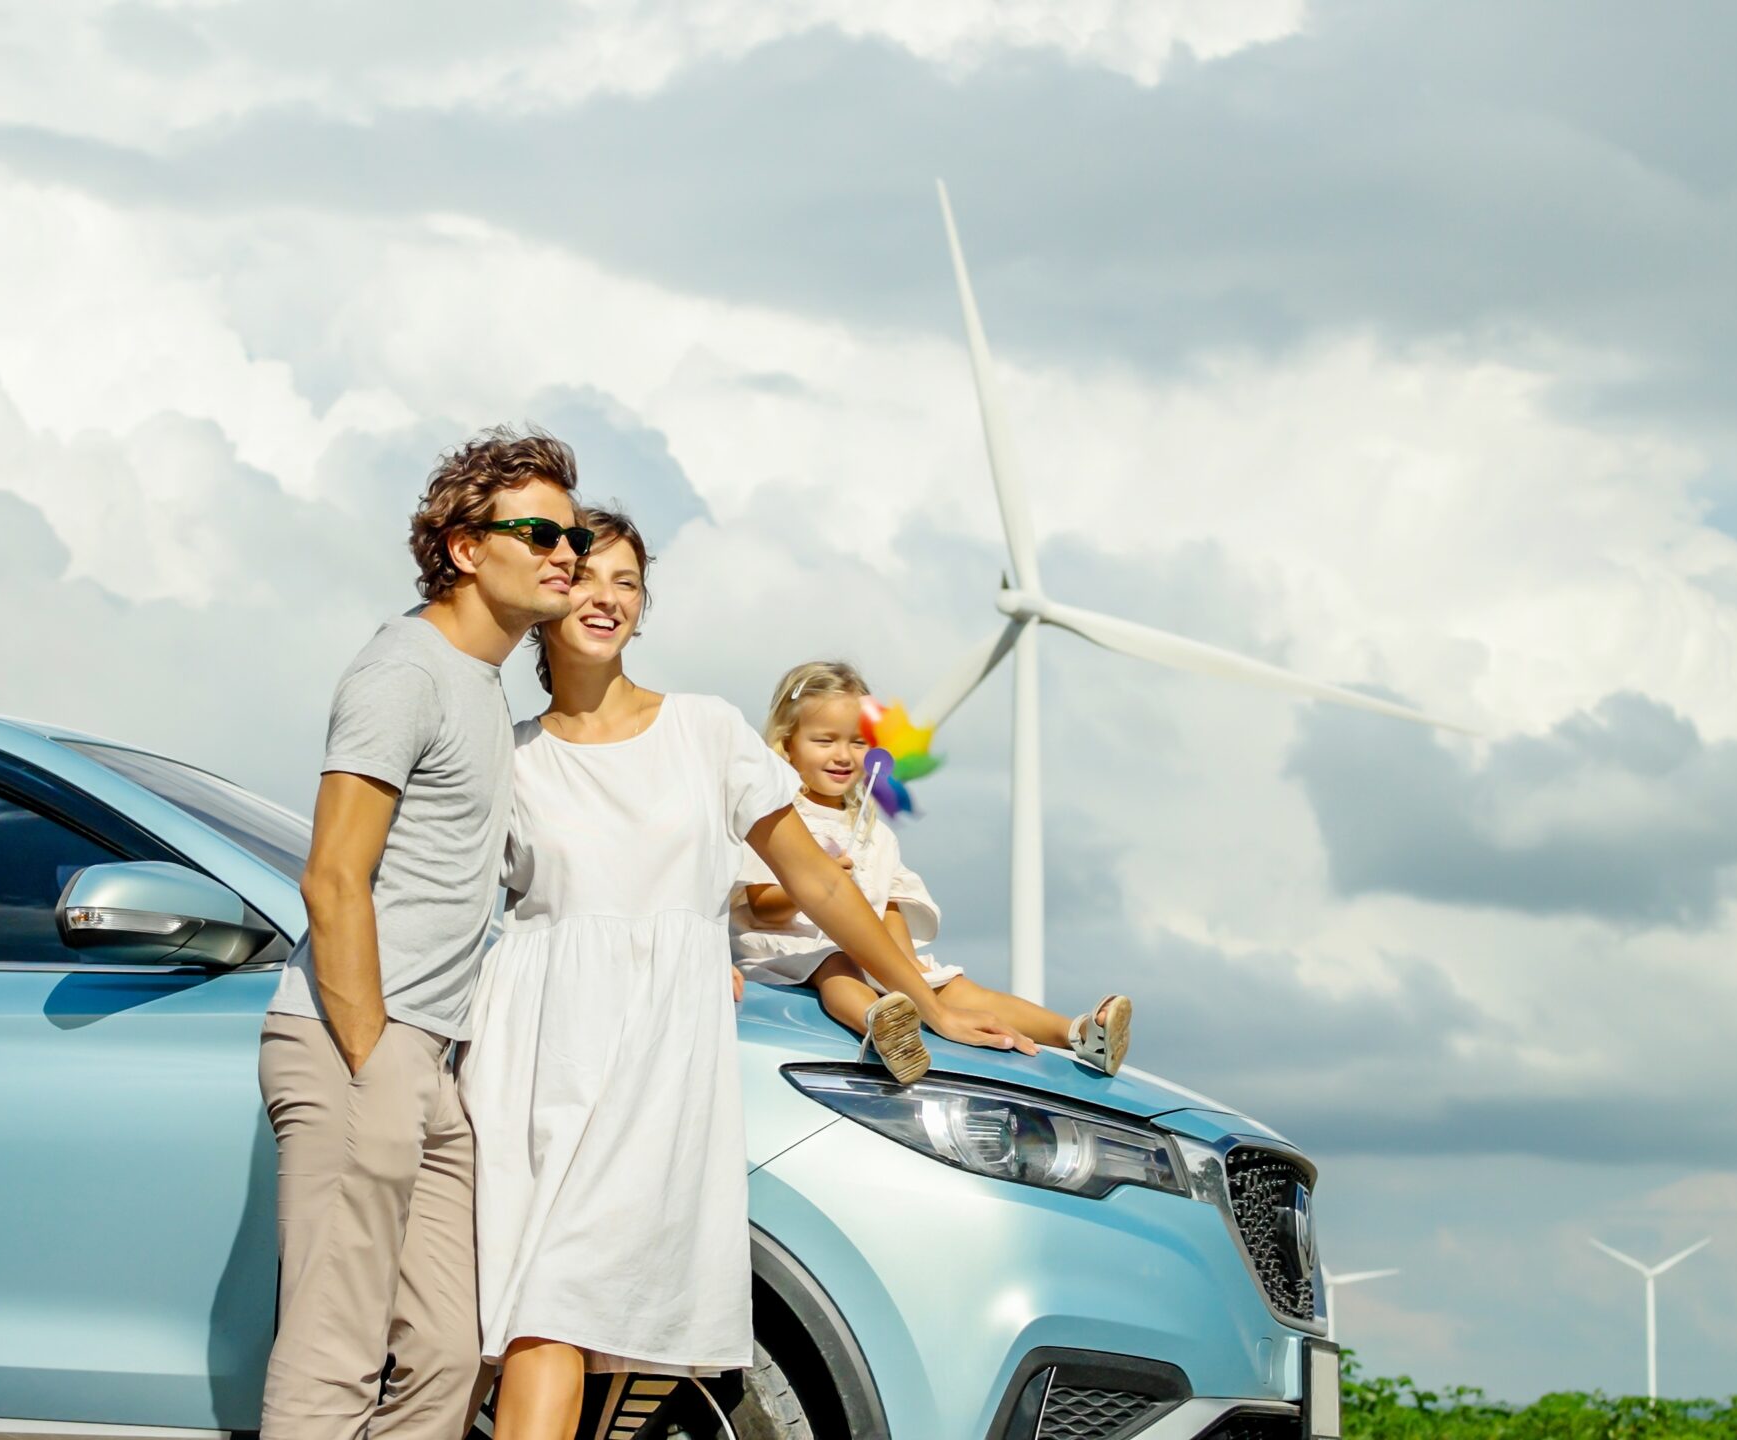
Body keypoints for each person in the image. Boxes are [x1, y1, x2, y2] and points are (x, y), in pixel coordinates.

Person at [458, 505, 1035, 1440]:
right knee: (539, 1317)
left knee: (575, 1310)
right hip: (535, 1049)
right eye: (589, 576)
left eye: (629, 584)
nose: (607, 599)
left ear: (644, 611)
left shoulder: (705, 732)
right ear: (548, 589)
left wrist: (927, 1000)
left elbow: (817, 882)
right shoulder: (508, 753)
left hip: (657, 1059)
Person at [258, 428, 593, 1440]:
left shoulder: (479, 688)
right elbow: (332, 877)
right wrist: (372, 1062)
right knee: (333, 1352)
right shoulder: (401, 671)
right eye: (538, 532)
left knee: (449, 1353)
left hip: (431, 1058)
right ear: (461, 548)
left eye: (572, 537)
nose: (565, 555)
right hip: (359, 1040)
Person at [732, 659, 1133, 1075]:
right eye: (825, 740)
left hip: (869, 957)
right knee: (836, 962)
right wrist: (821, 877)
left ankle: (1080, 1033)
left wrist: (911, 974)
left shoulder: (874, 834)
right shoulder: (775, 819)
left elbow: (889, 909)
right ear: (787, 743)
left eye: (857, 743)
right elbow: (761, 906)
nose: (843, 755)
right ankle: (883, 1027)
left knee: (953, 986)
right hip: (790, 953)